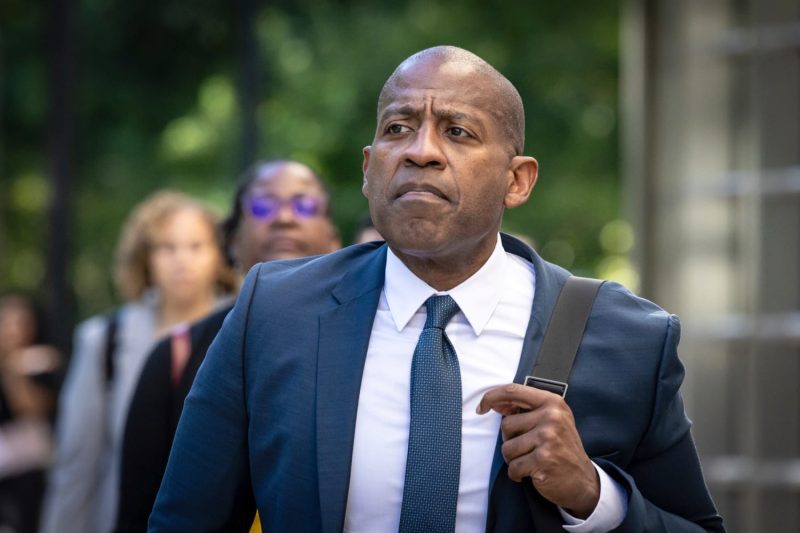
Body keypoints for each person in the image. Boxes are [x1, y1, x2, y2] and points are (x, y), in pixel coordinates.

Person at [150, 46, 724, 532]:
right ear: (369, 168)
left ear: (517, 180)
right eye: (398, 128)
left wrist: (595, 498)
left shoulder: (628, 339)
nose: (420, 150)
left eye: (457, 131)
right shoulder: (276, 312)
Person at [113, 160, 341, 533]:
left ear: (334, 240)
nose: (284, 217)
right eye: (263, 206)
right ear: (232, 242)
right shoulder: (175, 355)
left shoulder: (371, 346)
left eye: (304, 205)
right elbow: (139, 511)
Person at [39, 191, 237, 533]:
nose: (182, 260)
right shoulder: (104, 340)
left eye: (196, 246)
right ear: (145, 257)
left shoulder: (243, 329)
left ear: (220, 254)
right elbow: (77, 463)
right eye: (167, 248)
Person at [0, 293, 62, 533]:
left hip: (29, 475)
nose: (13, 330)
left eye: (21, 322)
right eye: (6, 322)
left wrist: (12, 369)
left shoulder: (44, 364)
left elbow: (30, 408)